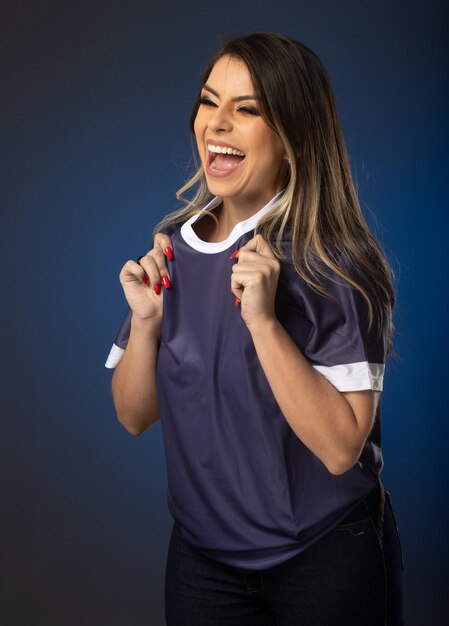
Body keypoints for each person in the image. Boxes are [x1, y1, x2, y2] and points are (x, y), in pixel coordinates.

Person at [105, 32, 404, 625]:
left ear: (293, 138)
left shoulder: (333, 260)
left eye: (247, 110)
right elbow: (134, 415)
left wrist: (264, 323)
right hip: (202, 562)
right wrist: (146, 324)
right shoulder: (175, 245)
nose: (216, 124)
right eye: (209, 102)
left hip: (324, 555)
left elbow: (342, 448)